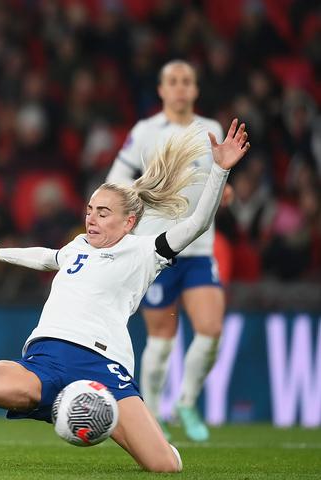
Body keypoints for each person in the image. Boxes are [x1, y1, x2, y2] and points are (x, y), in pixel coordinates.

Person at [0, 119, 250, 472]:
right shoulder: (79, 245)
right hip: (45, 360)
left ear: (129, 221)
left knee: (165, 466)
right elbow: (51, 258)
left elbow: (198, 223)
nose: (91, 219)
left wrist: (220, 169)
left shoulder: (147, 252)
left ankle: (139, 433)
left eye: (103, 212)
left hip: (104, 370)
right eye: (90, 210)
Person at [105, 60, 226, 441]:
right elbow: (115, 182)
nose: (180, 88)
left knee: (210, 330)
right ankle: (153, 414)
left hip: (201, 246)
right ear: (161, 90)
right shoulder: (145, 131)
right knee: (161, 338)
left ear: (195, 89)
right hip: (158, 248)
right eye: (172, 82)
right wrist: (144, 198)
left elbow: (218, 177)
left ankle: (187, 401)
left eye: (186, 81)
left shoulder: (212, 130)